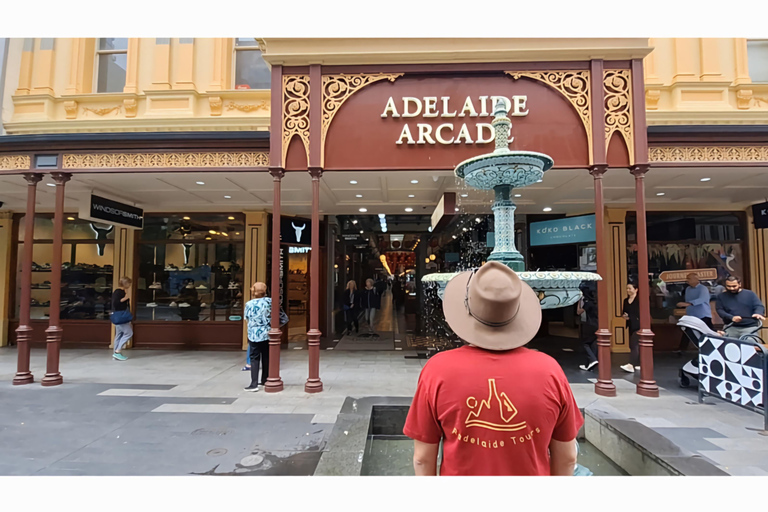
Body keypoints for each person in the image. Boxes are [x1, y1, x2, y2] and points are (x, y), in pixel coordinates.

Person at [403, 262, 582, 476]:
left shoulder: (437, 370)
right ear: (517, 313)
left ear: (467, 311)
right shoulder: (549, 370)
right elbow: (568, 458)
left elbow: (423, 459)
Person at [244, 282, 272, 392]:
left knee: (254, 358)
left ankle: (254, 383)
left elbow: (246, 318)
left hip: (253, 333)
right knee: (266, 356)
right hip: (267, 333)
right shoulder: (269, 302)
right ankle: (265, 378)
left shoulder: (249, 304)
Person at [676, 273, 712, 353]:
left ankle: (711, 348)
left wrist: (688, 304)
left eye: (689, 278)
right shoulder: (688, 289)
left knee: (707, 332)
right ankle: (681, 349)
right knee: (687, 332)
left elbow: (702, 299)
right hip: (691, 315)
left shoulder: (703, 289)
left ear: (696, 279)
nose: (687, 280)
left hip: (703, 315)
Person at [577, 282, 599, 371]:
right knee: (593, 344)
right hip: (598, 324)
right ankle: (590, 364)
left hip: (590, 324)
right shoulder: (596, 302)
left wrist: (579, 301)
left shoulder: (587, 303)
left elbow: (579, 312)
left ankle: (592, 360)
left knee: (585, 343)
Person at [620, 281, 641, 373]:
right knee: (633, 345)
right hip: (630, 325)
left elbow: (640, 313)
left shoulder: (639, 300)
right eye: (627, 288)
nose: (628, 290)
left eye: (630, 288)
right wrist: (624, 316)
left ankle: (631, 365)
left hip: (639, 324)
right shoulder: (625, 300)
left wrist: (631, 317)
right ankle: (638, 363)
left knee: (634, 344)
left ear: (636, 289)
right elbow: (624, 311)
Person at [111, 277, 133, 361]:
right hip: (121, 316)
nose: (129, 285)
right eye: (129, 283)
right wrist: (126, 298)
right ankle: (117, 351)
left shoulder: (120, 291)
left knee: (119, 334)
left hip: (119, 316)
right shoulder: (119, 292)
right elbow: (116, 303)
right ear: (125, 283)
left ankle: (115, 353)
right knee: (128, 333)